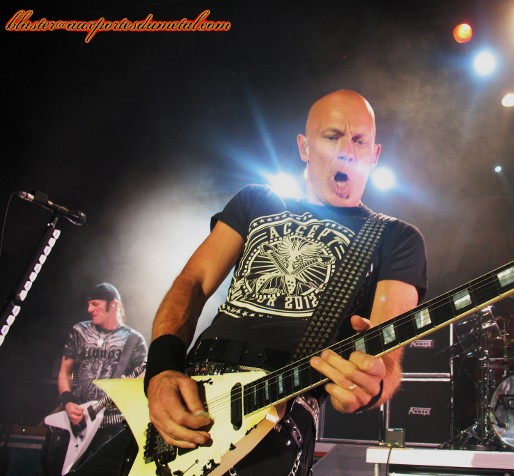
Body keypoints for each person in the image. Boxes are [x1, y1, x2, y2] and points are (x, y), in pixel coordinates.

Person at [144, 89, 428, 475]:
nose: (348, 151)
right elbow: (192, 283)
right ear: (304, 148)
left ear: (374, 155)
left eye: (359, 140)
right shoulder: (256, 200)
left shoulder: (396, 237)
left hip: (281, 408)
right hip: (191, 387)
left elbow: (387, 354)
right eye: (332, 136)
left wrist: (374, 385)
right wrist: (161, 370)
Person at [44, 283, 147, 475]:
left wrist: (130, 387)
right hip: (78, 420)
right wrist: (68, 403)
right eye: (88, 304)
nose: (90, 309)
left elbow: (142, 381)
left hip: (112, 424)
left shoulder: (135, 340)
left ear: (113, 305)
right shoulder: (79, 331)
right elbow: (64, 372)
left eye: (95, 304)